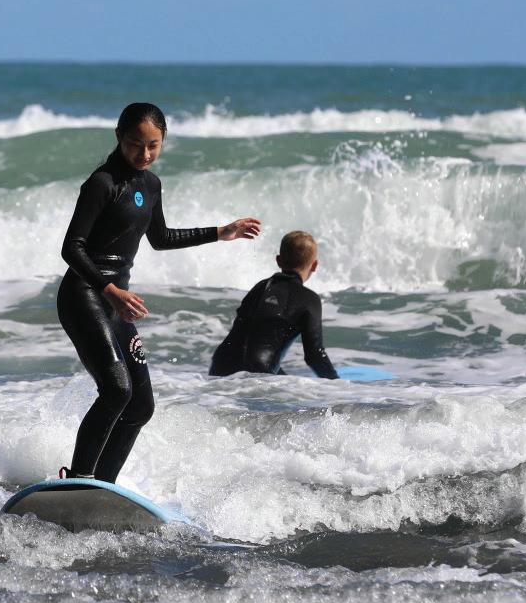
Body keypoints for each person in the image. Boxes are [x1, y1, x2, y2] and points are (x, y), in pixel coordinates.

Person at [57, 102, 261, 483]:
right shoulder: (102, 184)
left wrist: (220, 232)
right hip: (84, 294)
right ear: (119, 137)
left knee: (141, 406)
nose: (145, 153)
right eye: (136, 144)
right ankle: (79, 479)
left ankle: (102, 486)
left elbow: (161, 238)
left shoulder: (151, 186)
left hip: (115, 302)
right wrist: (110, 289)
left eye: (153, 145)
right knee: (117, 390)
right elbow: (72, 248)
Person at [209, 229, 338, 379]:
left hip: (220, 364)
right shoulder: (310, 299)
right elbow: (314, 356)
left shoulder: (260, 288)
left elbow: (250, 345)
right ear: (314, 265)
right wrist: (339, 387)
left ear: (278, 260)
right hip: (257, 372)